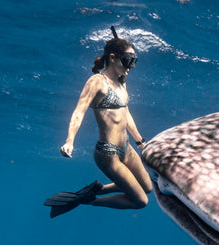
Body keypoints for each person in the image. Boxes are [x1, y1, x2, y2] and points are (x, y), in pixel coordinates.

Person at [45, 27, 154, 218]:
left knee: (148, 188)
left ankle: (96, 189)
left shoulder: (122, 81)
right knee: (140, 202)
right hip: (108, 153)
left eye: (134, 60)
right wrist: (70, 141)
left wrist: (139, 140)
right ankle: (89, 200)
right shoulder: (96, 81)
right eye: (128, 60)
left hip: (126, 149)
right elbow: (79, 111)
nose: (132, 66)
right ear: (112, 58)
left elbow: (125, 112)